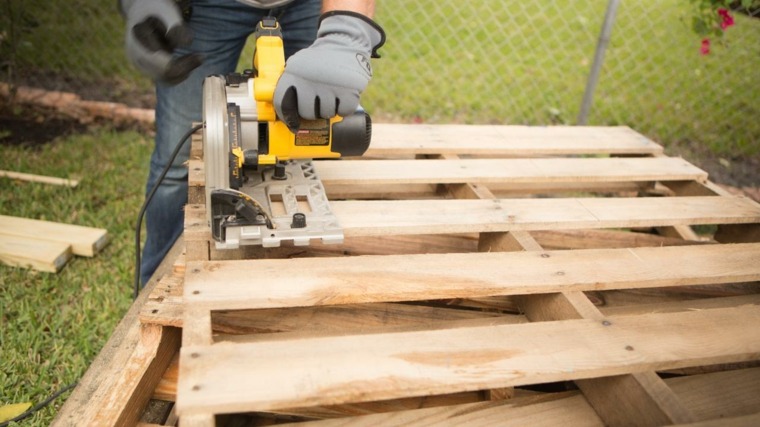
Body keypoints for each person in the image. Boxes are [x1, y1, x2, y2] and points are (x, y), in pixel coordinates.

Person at [119, 0, 385, 284]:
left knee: (314, 115)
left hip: (311, 4)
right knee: (177, 163)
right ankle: (156, 286)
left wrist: (345, 33)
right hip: (208, 7)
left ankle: (305, 278)